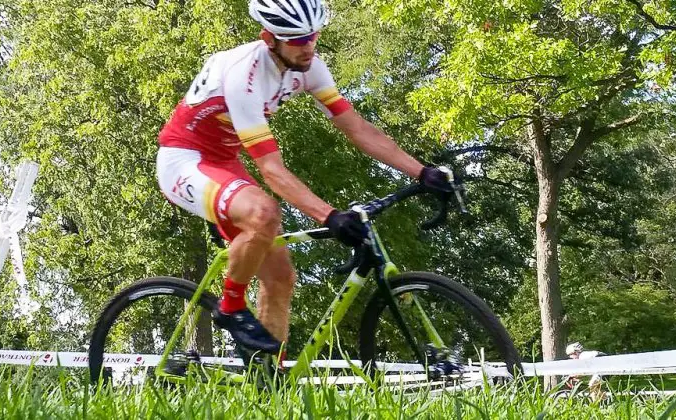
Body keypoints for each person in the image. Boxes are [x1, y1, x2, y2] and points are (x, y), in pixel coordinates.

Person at [156, 0, 453, 360]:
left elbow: (356, 128)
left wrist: (421, 171)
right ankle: (231, 305)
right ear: (269, 38)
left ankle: (269, 383)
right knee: (265, 213)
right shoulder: (242, 73)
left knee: (281, 278)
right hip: (184, 160)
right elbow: (272, 171)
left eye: (312, 36)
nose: (308, 45)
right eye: (297, 39)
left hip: (225, 162)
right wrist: (329, 216)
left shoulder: (309, 66)